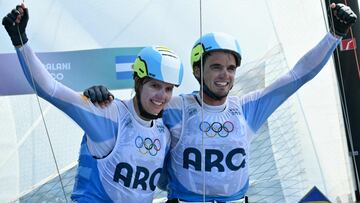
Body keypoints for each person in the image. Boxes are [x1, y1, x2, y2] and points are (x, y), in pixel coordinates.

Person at [84, 3, 357, 203]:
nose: (224, 75)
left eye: (230, 68)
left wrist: (333, 34)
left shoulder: (248, 108)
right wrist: (99, 97)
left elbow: (298, 75)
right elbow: (134, 112)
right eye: (215, 67)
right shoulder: (175, 107)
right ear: (197, 71)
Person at [2, 4, 184, 203]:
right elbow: (50, 88)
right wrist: (20, 41)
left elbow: (166, 181)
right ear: (138, 82)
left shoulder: (164, 133)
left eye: (168, 89)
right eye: (155, 85)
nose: (162, 96)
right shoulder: (108, 114)